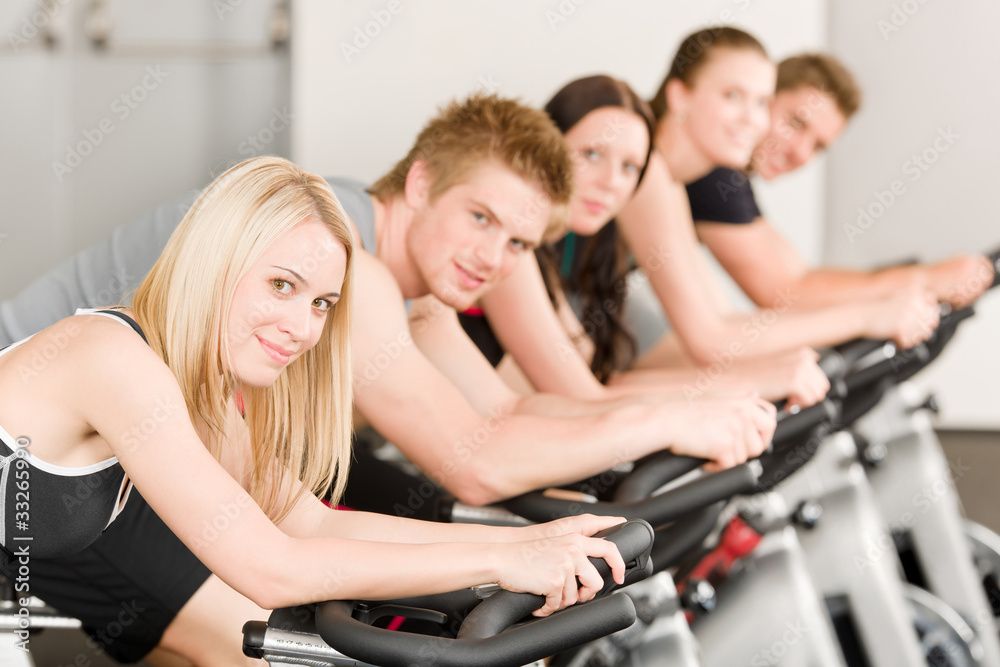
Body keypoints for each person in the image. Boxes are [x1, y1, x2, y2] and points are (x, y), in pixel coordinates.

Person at [3, 96, 774, 663]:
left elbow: (309, 523)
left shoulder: (202, 391)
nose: (304, 328)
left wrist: (533, 542)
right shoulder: (112, 359)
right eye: (279, 287)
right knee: (261, 642)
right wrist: (502, 559)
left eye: (320, 305)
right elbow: (273, 565)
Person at [458, 75, 829, 408]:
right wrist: (751, 382)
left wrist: (752, 382)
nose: (610, 182)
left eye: (629, 168)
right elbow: (584, 399)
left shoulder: (553, 253)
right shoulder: (510, 245)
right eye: (591, 155)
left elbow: (600, 382)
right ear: (547, 146)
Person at [605, 27, 943, 372]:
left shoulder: (675, 181)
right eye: (732, 96)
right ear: (680, 96)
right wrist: (875, 312)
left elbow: (726, 317)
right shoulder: (654, 168)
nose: (752, 118)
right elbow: (726, 330)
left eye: (760, 104)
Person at [686, 53, 994, 313]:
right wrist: (926, 279)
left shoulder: (732, 181)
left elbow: (802, 274)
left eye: (818, 146)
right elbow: (785, 296)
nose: (800, 152)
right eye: (795, 123)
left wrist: (918, 278)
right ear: (764, 98)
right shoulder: (715, 174)